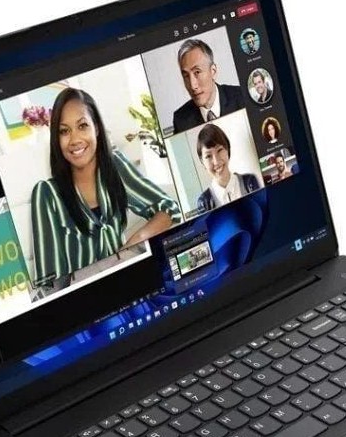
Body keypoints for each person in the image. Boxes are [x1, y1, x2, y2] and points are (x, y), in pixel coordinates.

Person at [30, 88, 180, 290]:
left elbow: (169, 209)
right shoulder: (46, 193)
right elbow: (49, 281)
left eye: (82, 126)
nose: (74, 139)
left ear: (97, 128)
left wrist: (131, 246)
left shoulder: (115, 167)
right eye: (64, 131)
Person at [171, 39, 243, 132]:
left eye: (197, 72)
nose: (193, 86)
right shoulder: (181, 120)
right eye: (186, 76)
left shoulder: (242, 97)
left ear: (213, 71)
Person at [194, 123, 260, 212]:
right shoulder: (203, 202)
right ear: (202, 162)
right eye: (208, 156)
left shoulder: (249, 182)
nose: (216, 161)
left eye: (219, 150)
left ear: (227, 149)